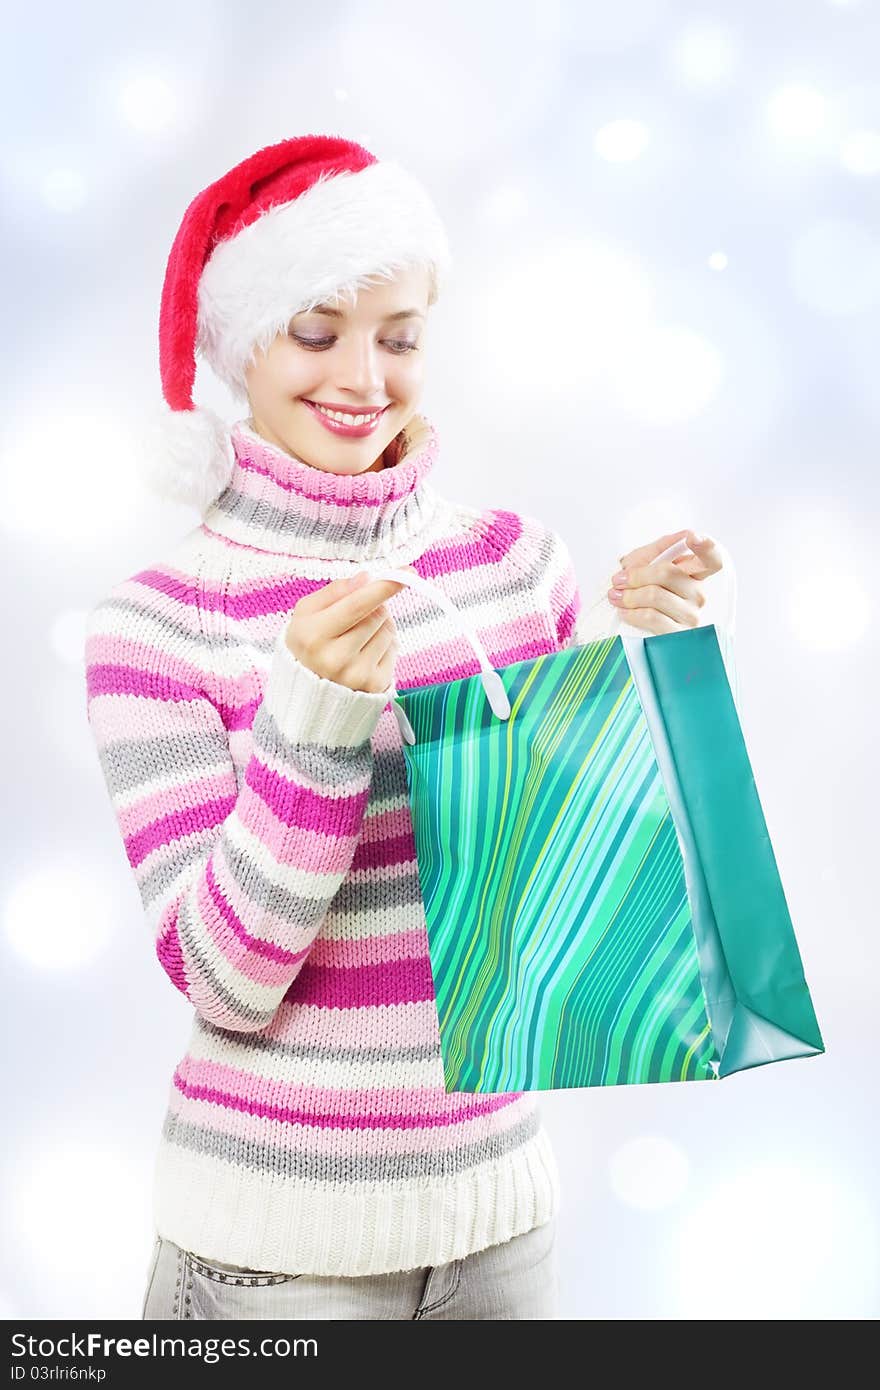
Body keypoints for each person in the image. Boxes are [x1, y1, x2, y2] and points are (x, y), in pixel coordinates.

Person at [83, 134, 735, 1322]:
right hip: (279, 1265)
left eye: (399, 334)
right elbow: (225, 980)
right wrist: (313, 727)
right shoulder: (157, 624)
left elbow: (557, 880)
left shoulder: (512, 565)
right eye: (317, 331)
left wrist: (644, 653)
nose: (363, 378)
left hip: (502, 1227)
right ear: (240, 344)